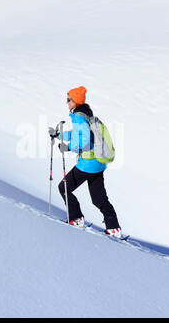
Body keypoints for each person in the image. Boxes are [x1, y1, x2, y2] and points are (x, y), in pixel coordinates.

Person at [49, 86, 121, 236]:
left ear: (75, 101)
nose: (67, 102)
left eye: (69, 99)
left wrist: (68, 148)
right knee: (98, 198)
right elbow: (78, 134)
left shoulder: (78, 117)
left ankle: (76, 218)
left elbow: (85, 140)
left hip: (87, 164)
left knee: (63, 187)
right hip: (98, 163)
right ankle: (113, 227)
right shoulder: (87, 114)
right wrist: (59, 134)